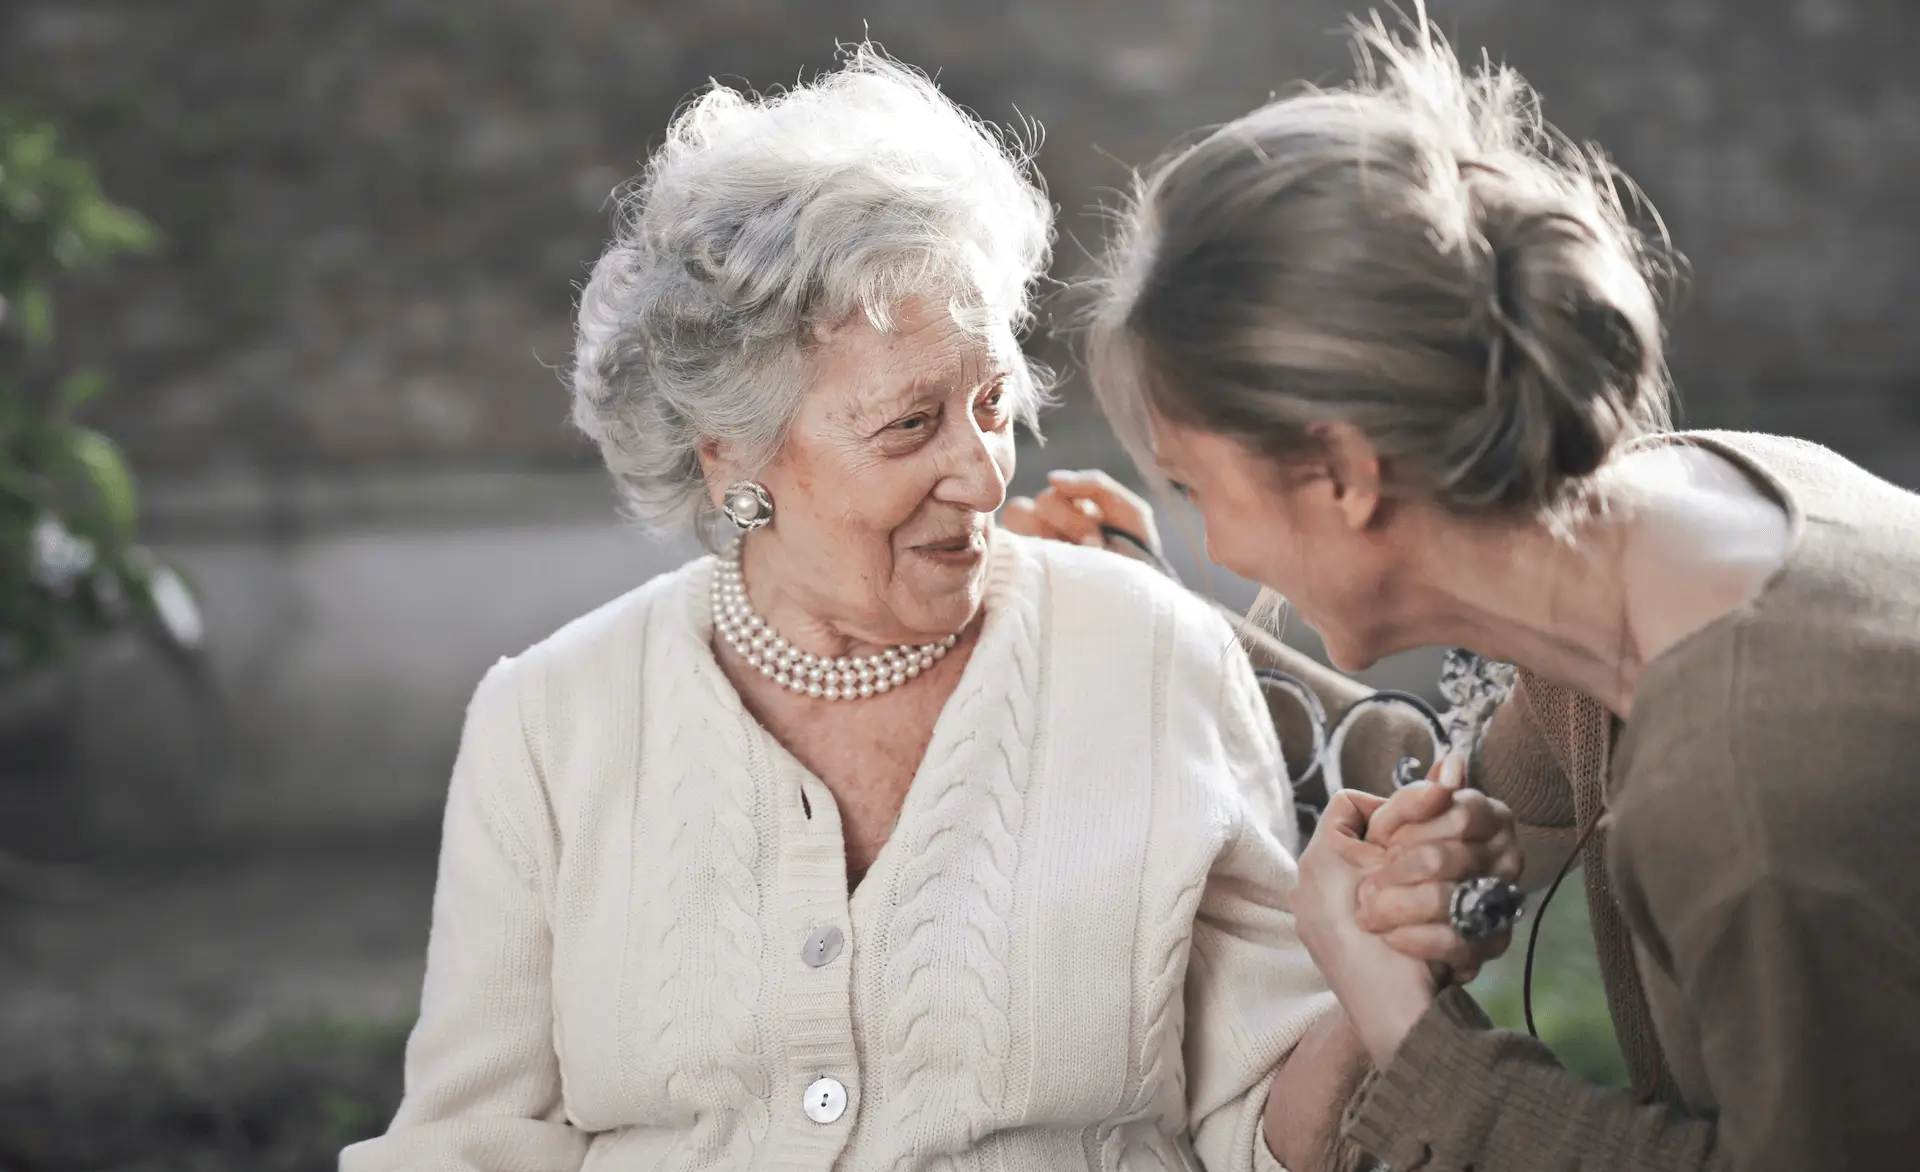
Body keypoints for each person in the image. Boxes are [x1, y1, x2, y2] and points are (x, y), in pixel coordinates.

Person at [339, 46, 1509, 1172]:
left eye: (993, 400)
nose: (984, 471)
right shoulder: (549, 722)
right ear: (729, 456)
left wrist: (1374, 966)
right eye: (910, 425)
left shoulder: (1150, 655)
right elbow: (468, 1143)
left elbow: (1262, 1133)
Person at [1064, 10, 1920, 1171]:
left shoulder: (1748, 793)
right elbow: (1472, 784)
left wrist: (1410, 1029)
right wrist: (1133, 608)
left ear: (1344, 474)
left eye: (1192, 482)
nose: (1213, 535)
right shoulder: (1683, 512)